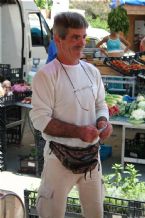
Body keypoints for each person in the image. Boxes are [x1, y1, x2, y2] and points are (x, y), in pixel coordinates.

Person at [30, 12, 112, 218]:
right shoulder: (46, 75)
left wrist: (103, 120)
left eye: (84, 37)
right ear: (58, 39)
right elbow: (41, 120)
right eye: (75, 37)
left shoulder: (92, 71)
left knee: (96, 213)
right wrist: (78, 132)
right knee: (50, 214)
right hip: (58, 159)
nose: (82, 43)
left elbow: (100, 104)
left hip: (92, 158)